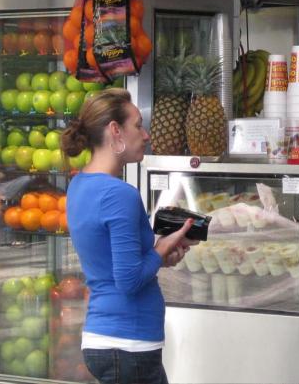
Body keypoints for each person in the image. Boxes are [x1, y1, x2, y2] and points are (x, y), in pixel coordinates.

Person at [61, 88, 198, 384]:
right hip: (129, 344)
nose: (146, 134)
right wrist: (160, 250)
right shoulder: (119, 194)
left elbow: (115, 266)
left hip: (105, 339)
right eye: (137, 125)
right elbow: (129, 280)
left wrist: (158, 257)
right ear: (115, 131)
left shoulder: (78, 186)